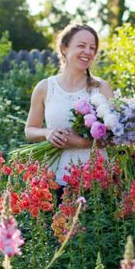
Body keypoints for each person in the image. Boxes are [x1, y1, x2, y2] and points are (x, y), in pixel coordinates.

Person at [24, 23, 114, 186]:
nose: (88, 52)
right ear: (64, 48)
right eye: (81, 45)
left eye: (92, 48)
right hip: (55, 179)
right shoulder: (45, 87)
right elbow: (29, 130)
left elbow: (115, 138)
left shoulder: (101, 87)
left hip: (96, 179)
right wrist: (47, 133)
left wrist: (80, 143)